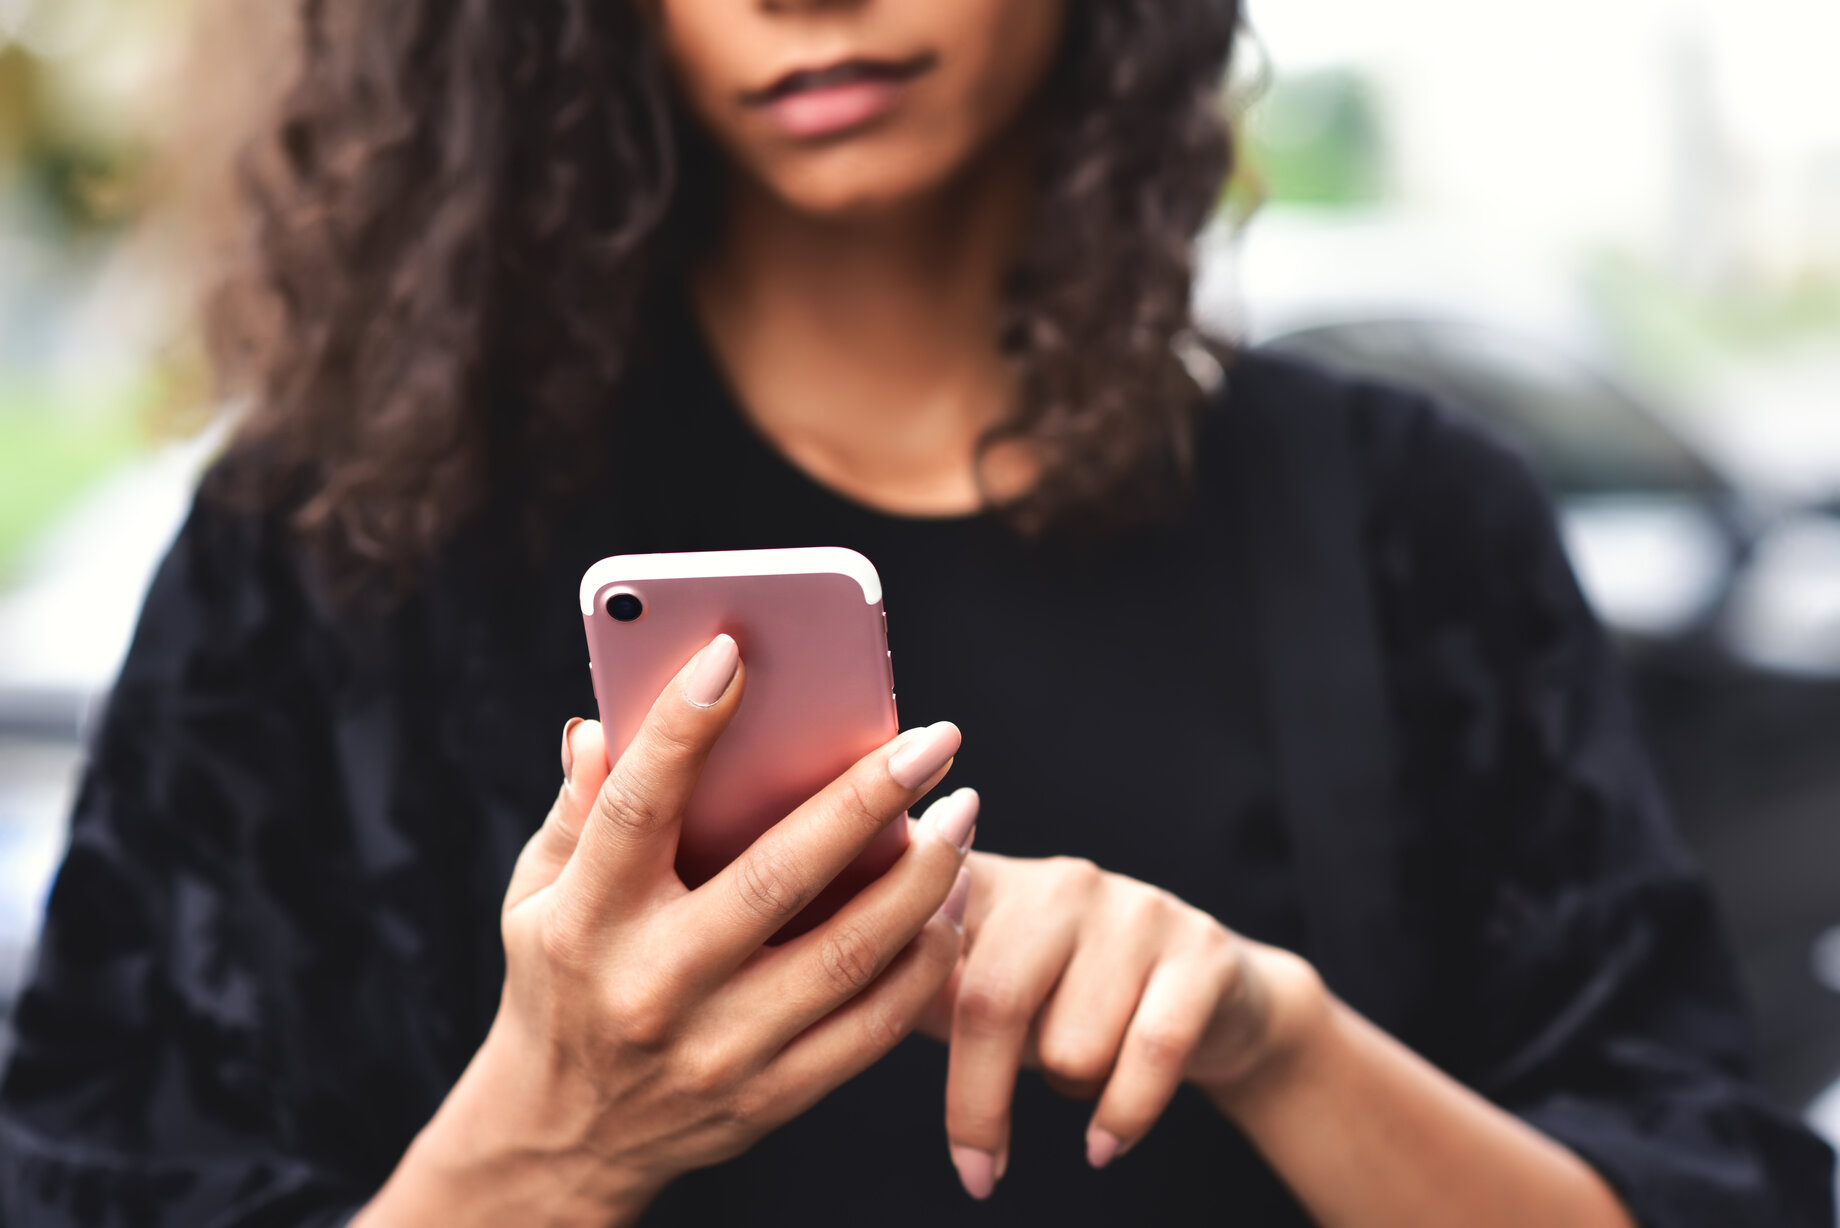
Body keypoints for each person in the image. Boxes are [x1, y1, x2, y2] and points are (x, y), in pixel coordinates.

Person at [0, 1, 1832, 1224]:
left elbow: (1696, 1182)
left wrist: (1279, 1038)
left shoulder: (1413, 526)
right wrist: (542, 1142)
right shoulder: (332, 550)